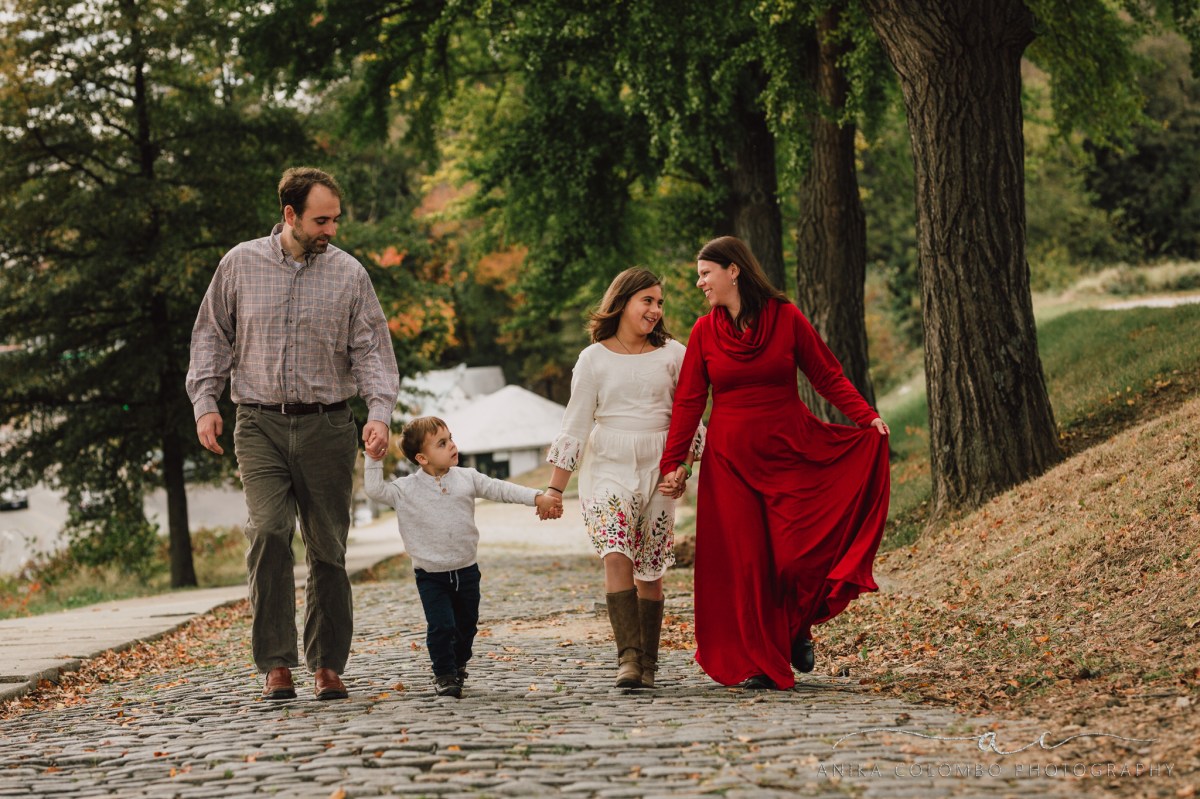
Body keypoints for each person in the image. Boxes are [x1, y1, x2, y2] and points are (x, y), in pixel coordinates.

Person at [186, 167, 399, 701]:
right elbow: (212, 334)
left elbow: (372, 350)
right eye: (320, 220)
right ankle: (276, 663)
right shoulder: (240, 264)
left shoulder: (350, 275)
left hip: (328, 423)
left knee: (327, 547)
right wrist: (205, 402)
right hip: (258, 421)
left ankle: (327, 663)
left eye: (335, 219)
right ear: (289, 215)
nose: (331, 230)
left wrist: (378, 412)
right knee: (269, 532)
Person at [658, 236, 890, 691]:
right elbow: (688, 402)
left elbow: (826, 373)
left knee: (792, 558)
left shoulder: (786, 318)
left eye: (706, 273)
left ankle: (795, 629)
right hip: (730, 465)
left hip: (790, 453)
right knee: (749, 565)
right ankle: (762, 662)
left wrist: (867, 416)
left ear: (734, 271)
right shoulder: (705, 332)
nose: (700, 281)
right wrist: (676, 462)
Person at [546, 267, 704, 689]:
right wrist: (554, 488)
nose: (655, 310)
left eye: (659, 303)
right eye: (647, 301)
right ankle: (628, 661)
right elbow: (575, 426)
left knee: (650, 572)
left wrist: (682, 466)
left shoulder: (675, 354)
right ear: (623, 301)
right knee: (617, 553)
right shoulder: (593, 359)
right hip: (609, 463)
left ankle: (648, 663)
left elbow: (689, 417)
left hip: (660, 462)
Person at [364, 416, 563, 698]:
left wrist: (537, 497)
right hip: (431, 576)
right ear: (421, 457)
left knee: (466, 626)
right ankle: (444, 673)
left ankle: (458, 663)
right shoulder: (405, 489)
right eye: (442, 443)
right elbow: (374, 490)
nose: (452, 446)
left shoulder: (467, 478)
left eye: (451, 439)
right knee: (442, 625)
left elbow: (501, 488)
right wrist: (373, 458)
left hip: (467, 570)